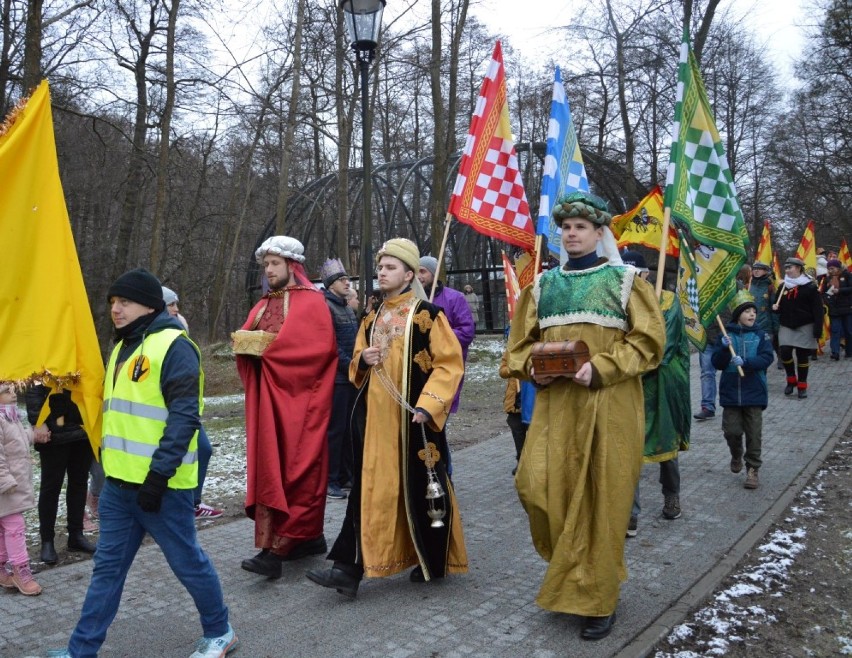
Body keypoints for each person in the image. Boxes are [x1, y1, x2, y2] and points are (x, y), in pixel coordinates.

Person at [48, 268, 237, 658]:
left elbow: (185, 418)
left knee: (188, 564)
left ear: (149, 305)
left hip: (162, 489)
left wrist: (158, 477)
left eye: (125, 302)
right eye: (113, 303)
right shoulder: (122, 347)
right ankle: (81, 650)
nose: (115, 309)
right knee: (107, 571)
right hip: (118, 488)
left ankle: (220, 632)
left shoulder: (175, 346)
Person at [505, 192, 665, 641]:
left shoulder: (625, 280)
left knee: (601, 500)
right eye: (567, 227)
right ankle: (574, 572)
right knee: (535, 486)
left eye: (581, 227)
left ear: (599, 233)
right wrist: (537, 365)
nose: (572, 234)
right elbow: (516, 348)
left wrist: (603, 367)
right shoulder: (542, 287)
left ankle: (597, 597)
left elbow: (650, 343)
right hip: (556, 408)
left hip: (610, 406)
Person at [307, 238, 468, 599]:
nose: (382, 271)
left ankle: (433, 559)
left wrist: (429, 404)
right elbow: (355, 364)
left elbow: (449, 364)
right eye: (380, 266)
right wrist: (362, 360)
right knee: (367, 492)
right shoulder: (372, 316)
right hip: (376, 423)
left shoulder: (428, 315)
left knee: (422, 490)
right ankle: (347, 570)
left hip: (415, 423)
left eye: (390, 267)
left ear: (409, 274)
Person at [236, 236, 337, 579]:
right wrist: (244, 345)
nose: (269, 270)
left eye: (274, 264)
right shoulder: (264, 303)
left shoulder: (311, 302)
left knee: (298, 468)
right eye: (265, 265)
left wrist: (271, 352)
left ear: (293, 266)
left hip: (301, 403)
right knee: (272, 466)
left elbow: (318, 352)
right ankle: (308, 539)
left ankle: (277, 550)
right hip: (269, 402)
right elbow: (248, 339)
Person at [620, 251, 690, 535]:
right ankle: (630, 512)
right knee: (629, 447)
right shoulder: (617, 302)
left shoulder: (668, 302)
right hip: (628, 382)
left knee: (664, 443)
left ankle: (671, 495)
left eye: (633, 275)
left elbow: (663, 346)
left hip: (661, 383)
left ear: (646, 274)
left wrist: (622, 366)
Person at [162, 286, 222, 520]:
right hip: (168, 411)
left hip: (187, 411)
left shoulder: (179, 325)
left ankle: (192, 503)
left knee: (203, 450)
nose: (176, 309)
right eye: (171, 305)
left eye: (176, 304)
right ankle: (182, 504)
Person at [25, 384, 96, 565]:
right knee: (51, 487)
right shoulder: (47, 355)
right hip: (53, 427)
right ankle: (47, 541)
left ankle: (76, 535)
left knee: (79, 483)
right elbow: (34, 382)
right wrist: (37, 422)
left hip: (83, 426)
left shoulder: (85, 354)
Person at [712, 290, 774, 489]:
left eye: (753, 312)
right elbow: (717, 363)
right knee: (731, 431)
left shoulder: (760, 335)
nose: (752, 315)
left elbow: (767, 358)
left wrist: (746, 362)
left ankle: (753, 469)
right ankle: (736, 454)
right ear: (738, 315)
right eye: (747, 311)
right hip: (731, 393)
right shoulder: (726, 335)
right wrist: (722, 349)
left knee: (754, 434)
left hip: (754, 392)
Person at [0, 383, 46, 595]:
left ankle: (2, 569)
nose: (13, 393)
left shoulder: (10, 416)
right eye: (7, 391)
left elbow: (16, 441)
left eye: (12, 389)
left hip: (12, 483)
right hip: (7, 486)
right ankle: (21, 570)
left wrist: (33, 434)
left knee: (4, 527)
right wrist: (5, 481)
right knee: (15, 527)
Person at [319, 258, 358, 500]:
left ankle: (345, 477)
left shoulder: (344, 306)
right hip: (337, 379)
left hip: (351, 377)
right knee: (335, 431)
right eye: (342, 279)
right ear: (331, 284)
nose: (347, 282)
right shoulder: (326, 307)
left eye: (347, 278)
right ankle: (330, 480)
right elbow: (330, 346)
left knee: (348, 431)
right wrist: (352, 365)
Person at [417, 256, 475, 415]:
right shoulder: (412, 300)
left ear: (434, 274)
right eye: (415, 272)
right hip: (419, 367)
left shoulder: (455, 298)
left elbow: (466, 331)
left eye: (423, 271)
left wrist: (437, 337)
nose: (418, 276)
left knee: (438, 413)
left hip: (444, 366)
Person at [773, 257, 824, 399]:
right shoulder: (783, 286)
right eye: (786, 268)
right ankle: (791, 380)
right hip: (787, 324)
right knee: (785, 352)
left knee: (802, 355)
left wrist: (818, 329)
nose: (787, 270)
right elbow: (778, 308)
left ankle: (802, 385)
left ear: (798, 268)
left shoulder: (810, 287)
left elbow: (818, 309)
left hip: (805, 325)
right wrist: (775, 308)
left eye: (790, 268)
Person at [749, 261, 781, 368]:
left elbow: (774, 309)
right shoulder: (748, 285)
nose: (756, 271)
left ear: (765, 271)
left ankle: (780, 358)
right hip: (750, 324)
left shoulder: (770, 287)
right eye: (754, 269)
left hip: (766, 325)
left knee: (764, 352)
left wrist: (776, 327)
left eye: (759, 269)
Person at [823, 258, 852, 360]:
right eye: (829, 269)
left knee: (849, 331)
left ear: (838, 267)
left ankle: (849, 351)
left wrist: (839, 290)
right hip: (834, 309)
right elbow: (824, 293)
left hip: (847, 308)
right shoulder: (827, 279)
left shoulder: (847, 275)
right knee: (835, 331)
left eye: (832, 268)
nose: (830, 270)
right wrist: (828, 302)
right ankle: (835, 352)